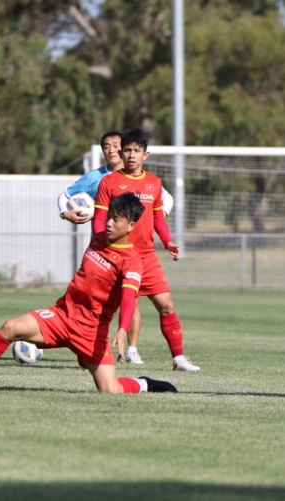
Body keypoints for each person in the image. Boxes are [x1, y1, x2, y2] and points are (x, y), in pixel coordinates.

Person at [0, 192, 177, 394]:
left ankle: (145, 384)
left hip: (91, 332)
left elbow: (128, 297)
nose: (109, 223)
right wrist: (66, 212)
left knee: (109, 389)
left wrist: (123, 329)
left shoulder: (132, 261)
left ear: (131, 226)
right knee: (10, 328)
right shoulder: (98, 239)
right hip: (62, 316)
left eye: (116, 220)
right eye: (109, 217)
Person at [57, 130, 174, 365]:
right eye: (106, 147)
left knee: (132, 298)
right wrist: (65, 213)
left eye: (115, 145)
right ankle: (88, 343)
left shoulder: (145, 179)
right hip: (102, 251)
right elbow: (65, 196)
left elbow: (165, 200)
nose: (111, 150)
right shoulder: (95, 178)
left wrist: (150, 222)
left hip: (134, 251)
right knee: (95, 298)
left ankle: (131, 349)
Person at [93, 128, 199, 372]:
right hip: (118, 256)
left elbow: (158, 217)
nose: (131, 155)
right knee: (104, 308)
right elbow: (99, 218)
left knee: (167, 305)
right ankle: (93, 350)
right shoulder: (109, 182)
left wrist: (168, 241)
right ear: (121, 152)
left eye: (136, 151)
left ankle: (178, 358)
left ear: (146, 154)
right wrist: (101, 243)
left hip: (147, 257)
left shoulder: (154, 183)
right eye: (127, 150)